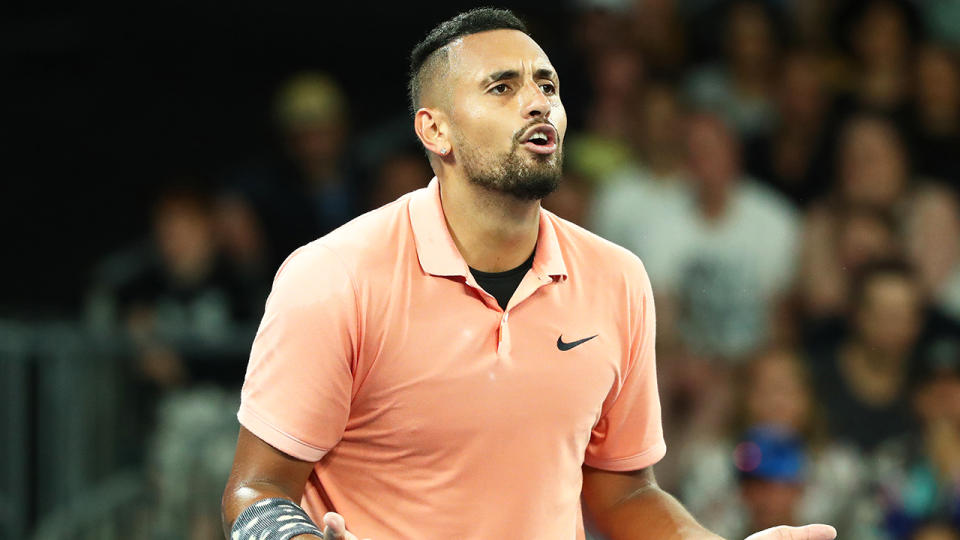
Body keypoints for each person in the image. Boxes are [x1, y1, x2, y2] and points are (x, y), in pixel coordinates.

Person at [220, 9, 837, 540]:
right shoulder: (333, 277)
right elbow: (256, 488)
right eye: (502, 87)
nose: (538, 101)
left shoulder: (618, 279)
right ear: (435, 130)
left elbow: (623, 495)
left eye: (548, 85)